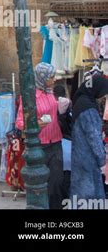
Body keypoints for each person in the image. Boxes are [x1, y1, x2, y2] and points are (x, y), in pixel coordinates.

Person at [16, 63, 64, 209]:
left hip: (56, 142)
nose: (54, 79)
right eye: (51, 77)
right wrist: (34, 124)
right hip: (40, 146)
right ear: (42, 78)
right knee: (41, 184)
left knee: (57, 183)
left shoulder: (51, 92)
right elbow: (19, 122)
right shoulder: (30, 97)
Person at [70, 74, 108, 208]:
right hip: (88, 159)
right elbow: (93, 137)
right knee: (89, 198)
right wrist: (102, 161)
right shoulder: (88, 108)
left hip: (79, 157)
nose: (103, 96)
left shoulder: (80, 101)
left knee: (81, 197)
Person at [53, 83, 72, 200]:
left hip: (57, 144)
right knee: (67, 177)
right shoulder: (69, 104)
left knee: (58, 178)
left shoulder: (51, 106)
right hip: (69, 143)